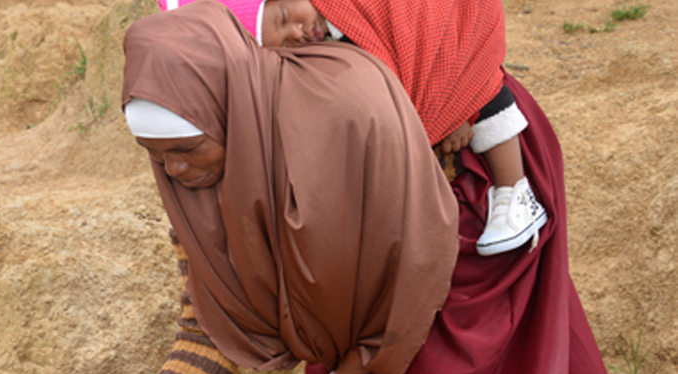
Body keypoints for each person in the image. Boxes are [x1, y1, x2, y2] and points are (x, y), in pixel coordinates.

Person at [71, 2, 655, 374]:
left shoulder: (346, 108)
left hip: (459, 223)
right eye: (156, 155)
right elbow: (209, 331)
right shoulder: (200, 172)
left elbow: (420, 250)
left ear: (233, 113)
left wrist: (358, 367)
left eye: (188, 149)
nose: (174, 170)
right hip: (360, 289)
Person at [157, 0, 546, 257]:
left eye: (283, 17)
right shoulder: (303, 65)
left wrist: (454, 104)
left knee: (487, 97)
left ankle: (515, 192)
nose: (298, 32)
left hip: (461, 56)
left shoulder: (352, 12)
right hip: (413, 169)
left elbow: (424, 34)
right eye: (285, 44)